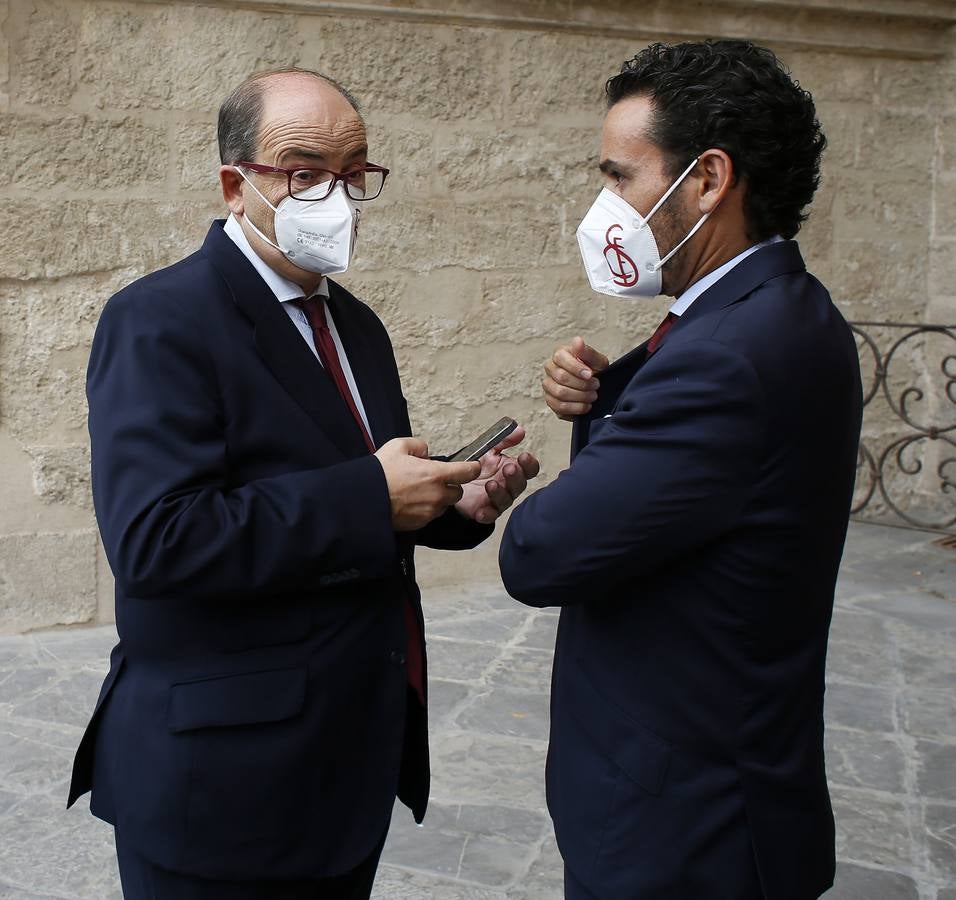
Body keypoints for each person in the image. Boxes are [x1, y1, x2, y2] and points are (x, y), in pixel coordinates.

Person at [67, 67, 538, 899]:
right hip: (220, 781)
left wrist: (455, 505)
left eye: (353, 171)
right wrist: (372, 495)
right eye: (303, 169)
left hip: (343, 763)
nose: (335, 193)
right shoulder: (159, 318)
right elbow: (156, 540)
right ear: (234, 182)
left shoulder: (357, 324)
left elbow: (368, 497)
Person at [499, 40, 862, 900]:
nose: (605, 205)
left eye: (620, 175)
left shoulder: (729, 355)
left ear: (707, 180)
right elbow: (689, 501)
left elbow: (541, 555)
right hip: (724, 794)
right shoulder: (782, 311)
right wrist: (603, 411)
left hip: (684, 832)